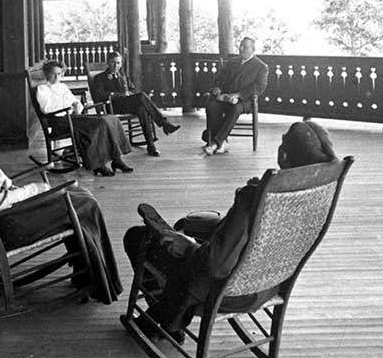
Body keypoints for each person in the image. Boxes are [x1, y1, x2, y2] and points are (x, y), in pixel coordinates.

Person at [123, 120, 337, 337]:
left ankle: (164, 317)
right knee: (184, 227)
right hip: (269, 285)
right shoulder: (316, 195)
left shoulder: (255, 198)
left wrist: (189, 246)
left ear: (283, 155)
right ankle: (163, 317)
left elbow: (216, 265)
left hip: (227, 292)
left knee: (139, 237)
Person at [0, 96, 122, 304]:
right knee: (85, 204)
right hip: (10, 226)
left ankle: (87, 277)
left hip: (11, 215)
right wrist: (34, 189)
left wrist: (29, 190)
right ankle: (98, 282)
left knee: (80, 197)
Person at [36, 60, 134, 176]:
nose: (57, 76)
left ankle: (117, 160)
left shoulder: (62, 86)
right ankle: (98, 164)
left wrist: (77, 105)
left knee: (111, 119)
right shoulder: (42, 89)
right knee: (100, 123)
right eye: (54, 74)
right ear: (47, 74)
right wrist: (67, 106)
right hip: (60, 121)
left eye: (59, 73)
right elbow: (46, 108)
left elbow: (74, 101)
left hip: (73, 117)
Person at [90, 51, 180, 157]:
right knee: (142, 96)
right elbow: (99, 95)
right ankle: (164, 124)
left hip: (126, 104)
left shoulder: (122, 76)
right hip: (113, 106)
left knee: (142, 108)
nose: (116, 66)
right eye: (113, 63)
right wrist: (118, 94)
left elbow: (133, 89)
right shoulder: (99, 78)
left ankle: (151, 146)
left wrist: (129, 93)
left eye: (118, 63)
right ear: (108, 63)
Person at [202, 36, 268, 155]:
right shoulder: (232, 62)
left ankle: (216, 142)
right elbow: (220, 79)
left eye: (245, 47)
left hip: (245, 101)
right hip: (225, 97)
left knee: (234, 108)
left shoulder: (261, 67)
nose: (242, 49)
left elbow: (259, 87)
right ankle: (223, 141)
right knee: (212, 105)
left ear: (253, 49)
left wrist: (238, 95)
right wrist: (217, 89)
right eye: (240, 46)